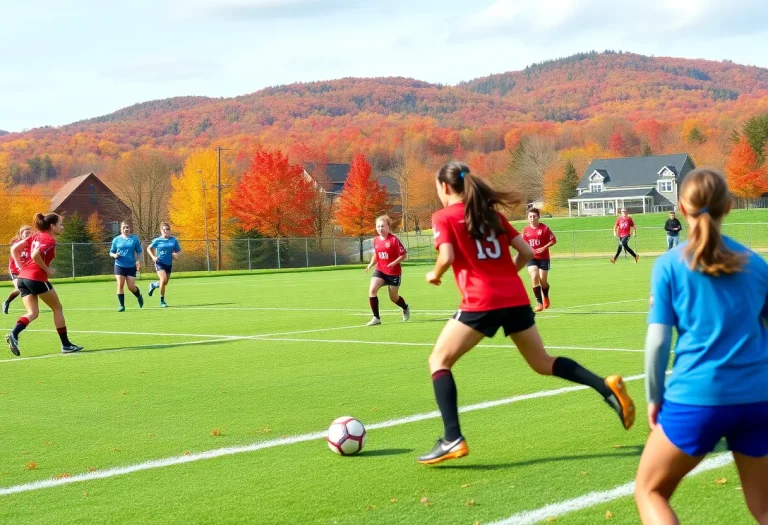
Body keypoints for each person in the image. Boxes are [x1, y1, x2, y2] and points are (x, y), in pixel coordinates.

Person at [418, 161, 635, 465]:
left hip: (482, 300)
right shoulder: (492, 215)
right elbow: (528, 253)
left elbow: (447, 255)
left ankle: (452, 437)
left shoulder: (443, 216)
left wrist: (435, 273)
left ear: (443, 187)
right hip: (516, 297)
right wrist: (507, 274)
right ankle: (606, 386)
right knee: (542, 362)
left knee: (439, 361)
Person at [635, 168, 768, 524]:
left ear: (680, 207)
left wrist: (653, 396)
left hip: (697, 398)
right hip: (758, 399)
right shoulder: (757, 265)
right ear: (729, 206)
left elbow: (658, 341)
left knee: (650, 491)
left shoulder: (669, 265)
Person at [5, 213, 82, 356]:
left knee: (33, 313)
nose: (62, 227)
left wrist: (21, 268)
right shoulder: (49, 239)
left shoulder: (36, 235)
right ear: (52, 226)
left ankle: (14, 334)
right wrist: (46, 269)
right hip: (36, 278)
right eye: (60, 224)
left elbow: (14, 249)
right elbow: (35, 255)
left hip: (22, 278)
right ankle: (66, 345)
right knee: (57, 308)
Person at [364, 215, 410, 326]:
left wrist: (394, 262)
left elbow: (403, 255)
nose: (380, 228)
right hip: (380, 270)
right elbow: (377, 254)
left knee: (393, 298)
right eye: (378, 226)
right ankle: (376, 318)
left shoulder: (393, 240)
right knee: (372, 290)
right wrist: (371, 264)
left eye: (383, 226)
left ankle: (405, 307)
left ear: (388, 227)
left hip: (393, 273)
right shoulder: (375, 240)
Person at [523, 208, 556, 312]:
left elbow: (553, 240)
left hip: (544, 258)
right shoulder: (526, 230)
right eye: (530, 217)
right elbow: (523, 244)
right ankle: (539, 303)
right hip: (531, 258)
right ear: (528, 218)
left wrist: (544, 247)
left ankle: (546, 296)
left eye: (534, 216)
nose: (532, 218)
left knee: (543, 281)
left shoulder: (544, 228)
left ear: (538, 217)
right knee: (534, 276)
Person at [109, 221, 144, 312]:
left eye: (127, 227)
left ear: (130, 228)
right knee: (120, 284)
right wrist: (114, 255)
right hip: (119, 265)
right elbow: (111, 252)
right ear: (121, 229)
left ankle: (139, 296)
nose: (126, 229)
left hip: (131, 266)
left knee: (131, 287)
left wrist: (138, 261)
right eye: (124, 227)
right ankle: (122, 306)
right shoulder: (116, 240)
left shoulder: (134, 239)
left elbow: (139, 252)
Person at [146, 223, 181, 308]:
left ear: (170, 230)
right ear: (161, 231)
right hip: (159, 263)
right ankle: (162, 301)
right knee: (163, 279)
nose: (165, 231)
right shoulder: (157, 240)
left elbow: (179, 251)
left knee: (165, 282)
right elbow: (148, 248)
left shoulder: (174, 240)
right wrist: (153, 257)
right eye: (164, 229)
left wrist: (177, 255)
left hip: (169, 264)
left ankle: (153, 285)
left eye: (167, 229)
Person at [3, 225, 32, 315]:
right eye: (26, 233)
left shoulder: (31, 243)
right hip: (15, 269)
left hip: (26, 269)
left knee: (30, 287)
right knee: (19, 288)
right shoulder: (17, 243)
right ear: (21, 234)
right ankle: (6, 302)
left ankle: (31, 308)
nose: (28, 234)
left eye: (30, 233)